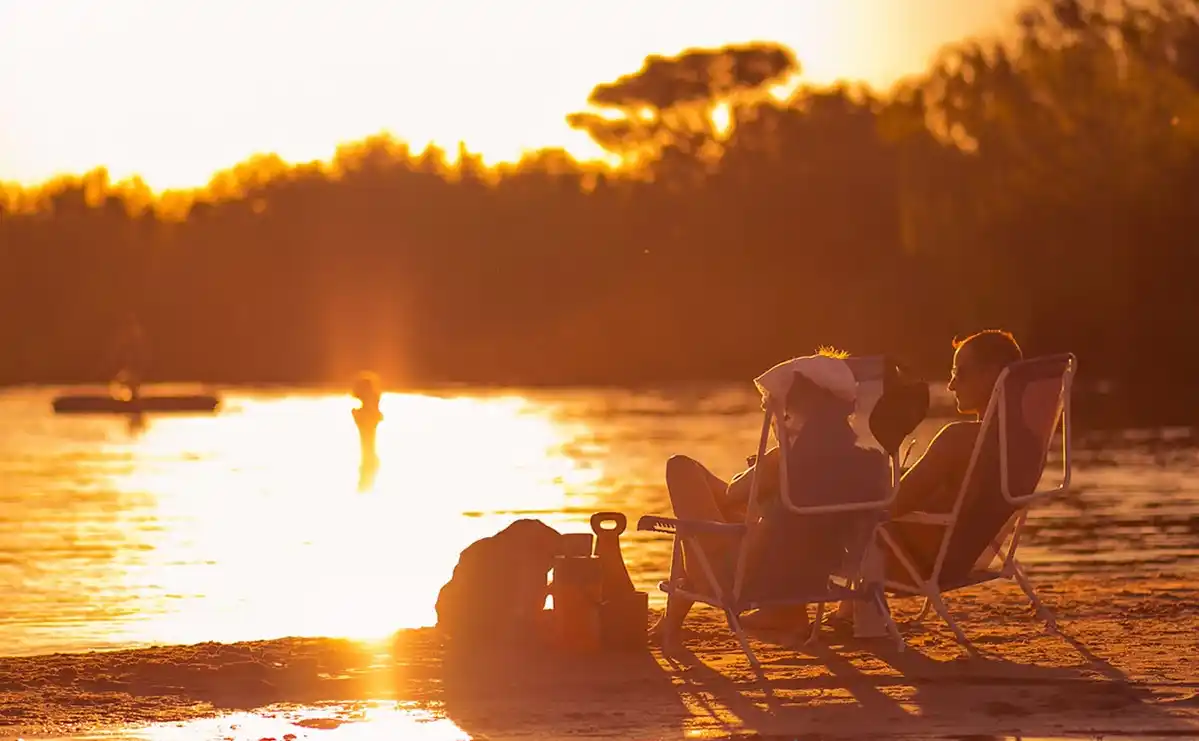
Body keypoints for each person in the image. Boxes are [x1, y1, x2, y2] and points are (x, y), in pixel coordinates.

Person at [648, 350, 890, 644]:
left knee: (682, 468)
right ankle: (674, 621)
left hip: (743, 578)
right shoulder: (868, 462)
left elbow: (732, 494)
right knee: (719, 514)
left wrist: (769, 462)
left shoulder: (787, 461)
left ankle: (670, 622)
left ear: (797, 407)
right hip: (807, 576)